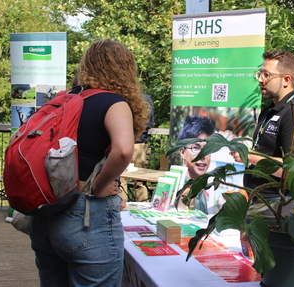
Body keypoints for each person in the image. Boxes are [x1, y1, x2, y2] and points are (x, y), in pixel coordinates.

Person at [28, 39, 149, 287]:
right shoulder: (113, 102)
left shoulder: (64, 100)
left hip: (46, 215)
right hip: (86, 216)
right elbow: (124, 150)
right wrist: (98, 186)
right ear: (125, 69)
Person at [230, 49, 294, 217]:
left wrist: (250, 157)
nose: (260, 80)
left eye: (267, 75)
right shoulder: (271, 109)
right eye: (260, 73)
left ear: (286, 80)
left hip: (278, 206)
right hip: (258, 201)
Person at [176, 115, 215, 213]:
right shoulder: (178, 189)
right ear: (182, 152)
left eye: (208, 148)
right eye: (196, 148)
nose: (203, 155)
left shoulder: (199, 185)